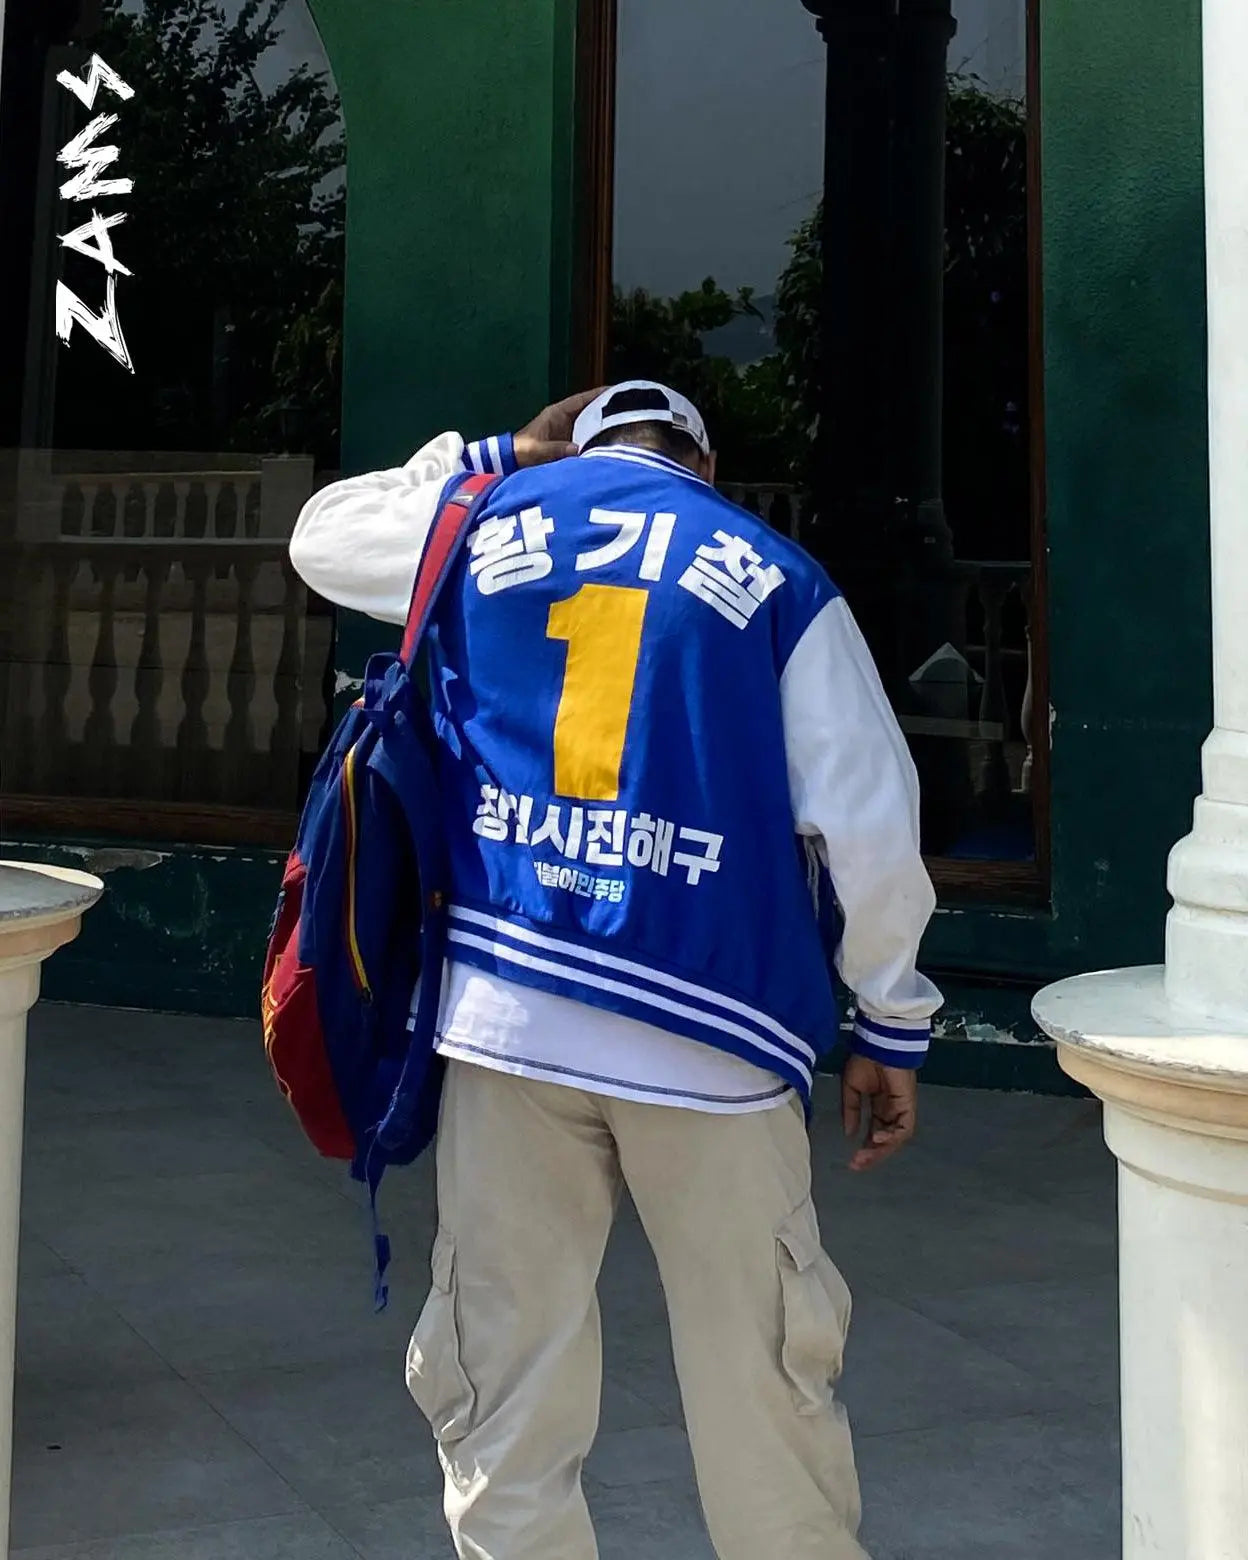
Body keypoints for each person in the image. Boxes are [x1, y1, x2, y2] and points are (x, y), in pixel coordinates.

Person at [289, 381, 942, 1560]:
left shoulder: (481, 528)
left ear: (574, 451)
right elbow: (870, 821)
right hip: (713, 1033)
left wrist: (499, 451)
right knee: (766, 1392)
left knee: (506, 1395)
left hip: (509, 1019)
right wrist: (892, 1017)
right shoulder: (773, 575)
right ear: (705, 463)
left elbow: (321, 536)